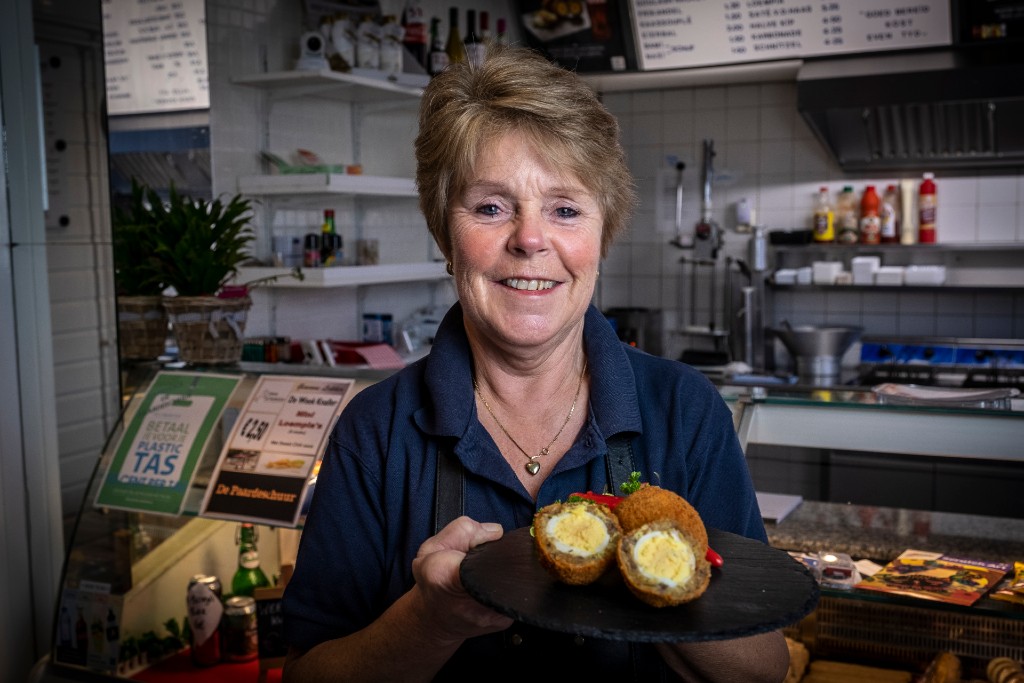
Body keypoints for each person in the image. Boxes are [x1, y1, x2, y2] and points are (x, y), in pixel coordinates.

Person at [282, 43, 791, 682]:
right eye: (492, 207)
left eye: (565, 209)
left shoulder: (684, 411)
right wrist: (430, 619)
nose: (529, 239)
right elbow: (305, 675)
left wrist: (652, 579)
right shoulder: (376, 432)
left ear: (602, 234)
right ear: (444, 233)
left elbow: (764, 671)